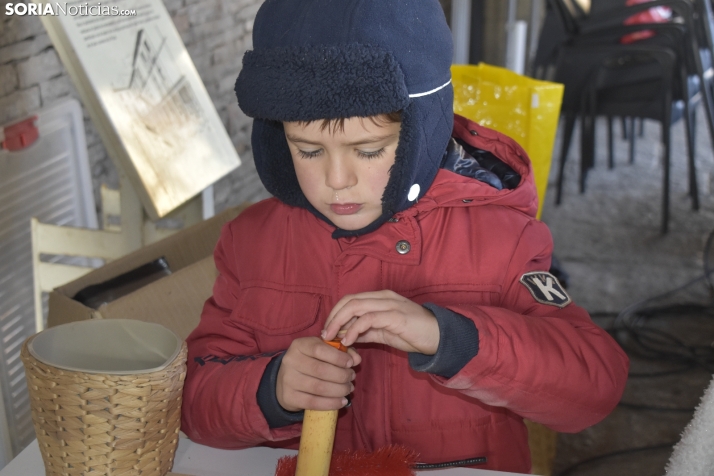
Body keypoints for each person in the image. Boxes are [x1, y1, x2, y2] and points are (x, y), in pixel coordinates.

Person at [180, 0, 629, 472]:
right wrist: (271, 390)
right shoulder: (251, 242)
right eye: (308, 150)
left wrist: (449, 338)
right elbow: (192, 398)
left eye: (369, 150)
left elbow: (593, 388)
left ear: (423, 131)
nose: (337, 180)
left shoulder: (503, 238)